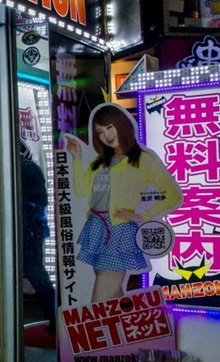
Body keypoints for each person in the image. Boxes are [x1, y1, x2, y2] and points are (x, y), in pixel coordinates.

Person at [66, 103, 182, 303]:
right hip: (95, 226)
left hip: (120, 230)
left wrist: (141, 216)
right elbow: (82, 190)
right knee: (113, 294)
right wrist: (76, 158)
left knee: (100, 299)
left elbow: (173, 195)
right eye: (100, 132)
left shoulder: (143, 159)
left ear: (120, 125)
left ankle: (102, 325)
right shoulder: (99, 162)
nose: (106, 135)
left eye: (109, 127)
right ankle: (128, 322)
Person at [19, 141, 57, 330]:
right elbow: (41, 201)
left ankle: (54, 316)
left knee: (35, 273)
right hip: (32, 229)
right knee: (37, 273)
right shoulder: (30, 168)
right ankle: (54, 317)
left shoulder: (20, 169)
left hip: (26, 230)